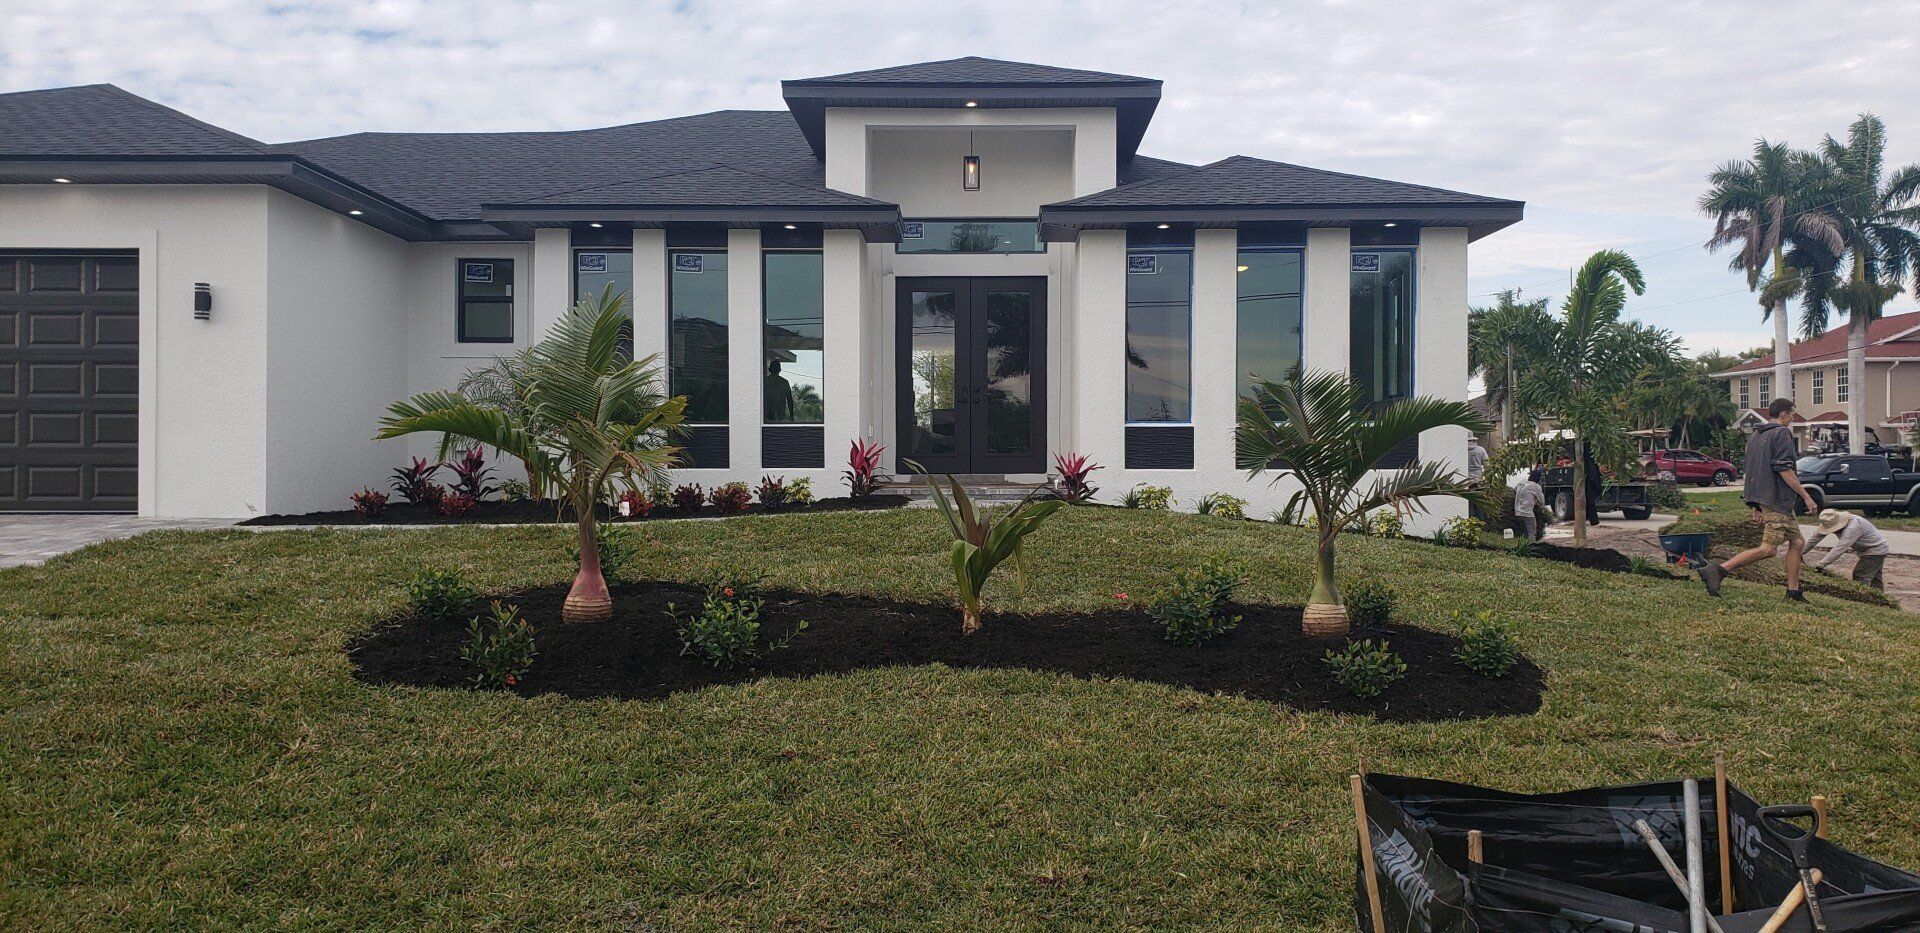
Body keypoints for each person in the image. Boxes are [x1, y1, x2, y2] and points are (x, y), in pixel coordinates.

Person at [1699, 397, 1819, 600]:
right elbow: (1784, 469)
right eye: (1791, 414)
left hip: (1767, 499)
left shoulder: (1756, 436)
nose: (1792, 418)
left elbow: (1753, 471)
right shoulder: (1781, 433)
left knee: (1797, 542)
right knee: (1769, 549)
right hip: (1777, 500)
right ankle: (1718, 570)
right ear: (1783, 414)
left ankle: (1793, 591)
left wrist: (1754, 503)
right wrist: (1806, 496)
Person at [1806, 508, 1890, 590]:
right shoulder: (1829, 520)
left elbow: (1840, 548)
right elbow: (1814, 538)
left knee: (1861, 575)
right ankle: (1879, 600)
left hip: (1875, 549)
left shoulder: (1853, 527)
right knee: (1875, 577)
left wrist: (1821, 565)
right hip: (1871, 548)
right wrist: (1800, 553)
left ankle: (1864, 597)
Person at [1512, 468, 1547, 541]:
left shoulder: (1521, 483)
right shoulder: (1535, 486)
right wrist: (1537, 503)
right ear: (1539, 478)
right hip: (1527, 514)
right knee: (1531, 534)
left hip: (1517, 512)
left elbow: (1515, 491)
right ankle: (1532, 549)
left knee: (1525, 533)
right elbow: (1541, 501)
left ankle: (1523, 548)